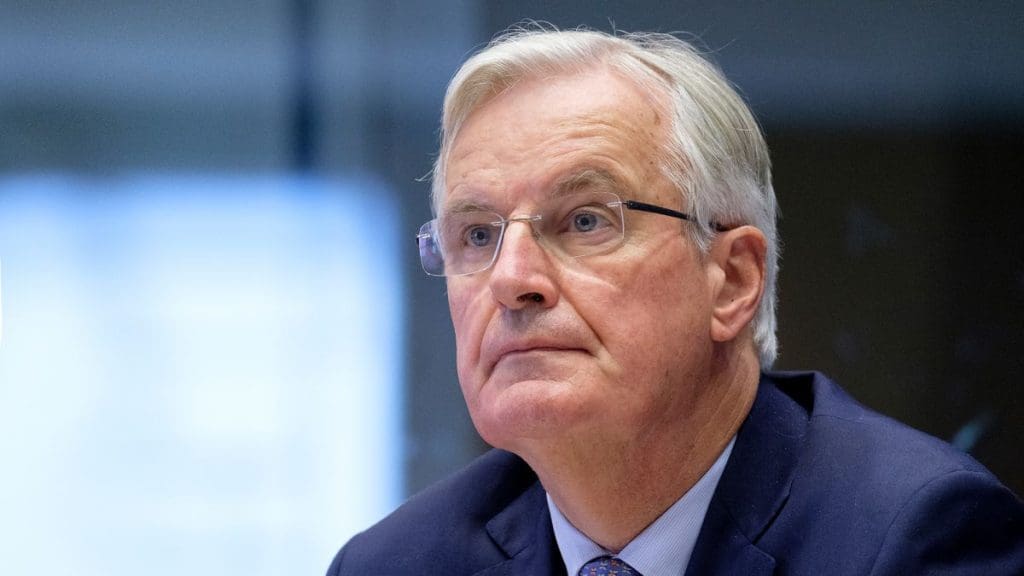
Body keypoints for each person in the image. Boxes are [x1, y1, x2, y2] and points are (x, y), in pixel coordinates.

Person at [327, 26, 1023, 575]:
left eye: (585, 221)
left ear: (733, 280)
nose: (512, 278)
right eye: (477, 235)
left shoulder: (913, 537)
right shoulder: (396, 564)